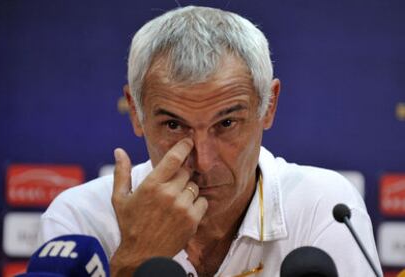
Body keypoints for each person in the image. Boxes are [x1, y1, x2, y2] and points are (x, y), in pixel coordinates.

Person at [38, 6, 382, 277]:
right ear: (135, 111)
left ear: (269, 106)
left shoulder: (324, 206)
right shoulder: (81, 218)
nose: (203, 161)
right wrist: (135, 258)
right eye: (174, 125)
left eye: (227, 123)